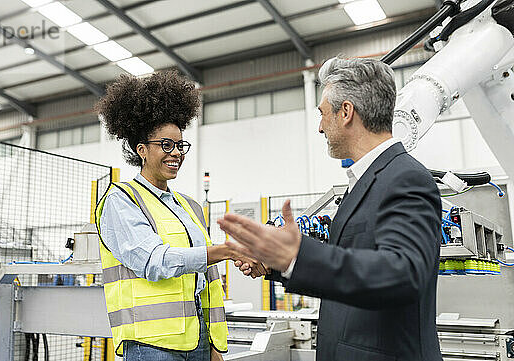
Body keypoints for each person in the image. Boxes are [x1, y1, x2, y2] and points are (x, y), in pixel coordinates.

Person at [219, 57, 443, 361]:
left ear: (347, 112)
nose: (320, 126)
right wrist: (276, 263)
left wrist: (296, 256)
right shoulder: (365, 181)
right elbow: (354, 261)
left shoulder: (405, 178)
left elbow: (403, 274)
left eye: (323, 114)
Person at [94, 71, 265, 361]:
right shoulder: (120, 201)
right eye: (166, 145)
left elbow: (206, 277)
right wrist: (225, 250)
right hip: (152, 346)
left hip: (197, 339)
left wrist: (213, 344)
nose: (176, 153)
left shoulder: (190, 206)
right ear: (142, 151)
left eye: (181, 145)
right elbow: (154, 261)